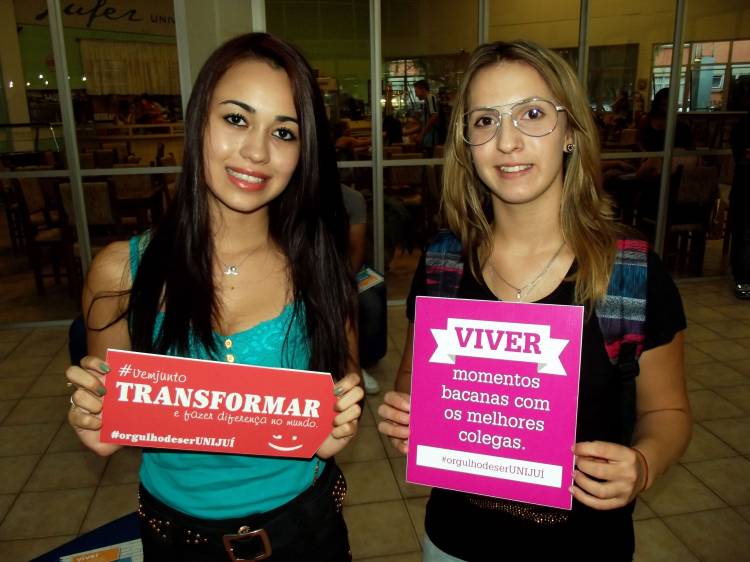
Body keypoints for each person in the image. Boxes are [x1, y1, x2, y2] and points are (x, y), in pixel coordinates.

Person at [378, 40, 691, 561]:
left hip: (583, 548)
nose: (507, 142)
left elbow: (668, 410)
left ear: (570, 132)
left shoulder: (629, 275)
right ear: (466, 144)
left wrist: (644, 464)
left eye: (532, 114)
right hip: (454, 542)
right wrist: (412, 418)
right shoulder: (443, 263)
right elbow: (414, 382)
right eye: (485, 121)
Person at [65, 33, 363, 561]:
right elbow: (112, 405)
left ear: (304, 152)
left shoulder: (320, 268)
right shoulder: (122, 272)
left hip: (305, 531)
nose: (257, 151)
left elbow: (346, 377)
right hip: (177, 541)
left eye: (284, 132)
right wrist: (95, 416)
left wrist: (340, 419)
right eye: (236, 119)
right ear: (198, 121)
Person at [408, 79, 440, 156]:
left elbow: (434, 116)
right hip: (427, 140)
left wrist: (421, 135)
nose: (416, 95)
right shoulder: (427, 100)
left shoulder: (430, 98)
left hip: (431, 141)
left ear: (422, 89)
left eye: (416, 91)